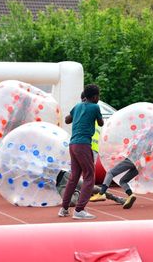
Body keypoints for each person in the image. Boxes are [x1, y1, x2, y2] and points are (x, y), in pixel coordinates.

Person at [58, 84, 104, 219]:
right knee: (89, 176)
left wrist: (78, 114)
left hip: (73, 144)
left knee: (74, 178)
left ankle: (64, 209)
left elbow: (67, 120)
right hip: (84, 145)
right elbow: (101, 123)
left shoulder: (78, 106)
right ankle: (79, 210)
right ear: (95, 97)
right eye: (98, 96)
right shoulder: (95, 107)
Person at [90, 123, 153, 209]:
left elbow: (130, 149)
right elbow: (148, 155)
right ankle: (131, 195)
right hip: (140, 165)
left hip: (131, 160)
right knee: (123, 181)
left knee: (110, 173)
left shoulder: (140, 140)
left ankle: (101, 193)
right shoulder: (151, 143)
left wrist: (118, 155)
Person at [56, 170, 126, 206]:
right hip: (59, 185)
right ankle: (78, 193)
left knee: (91, 188)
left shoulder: (47, 155)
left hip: (65, 176)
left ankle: (116, 198)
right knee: (70, 203)